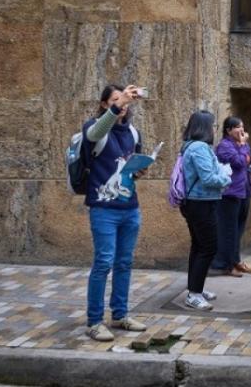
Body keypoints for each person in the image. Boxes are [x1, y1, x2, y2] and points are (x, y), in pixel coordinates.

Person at [83, 84, 149, 342]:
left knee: (124, 262)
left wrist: (140, 171)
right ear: (104, 104)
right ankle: (94, 320)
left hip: (129, 207)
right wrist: (116, 105)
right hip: (103, 209)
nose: (123, 105)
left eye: (125, 100)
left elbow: (128, 167)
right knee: (103, 263)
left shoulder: (132, 132)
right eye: (115, 100)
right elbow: (94, 134)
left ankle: (120, 314)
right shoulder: (96, 128)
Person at [179, 110, 233, 311]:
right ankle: (193, 294)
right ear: (205, 127)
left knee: (199, 246)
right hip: (200, 202)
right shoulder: (199, 148)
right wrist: (226, 179)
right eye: (213, 125)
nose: (214, 129)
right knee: (209, 247)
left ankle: (196, 289)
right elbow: (209, 178)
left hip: (197, 202)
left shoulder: (191, 146)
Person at [212, 116, 251, 278]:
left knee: (239, 230)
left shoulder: (241, 145)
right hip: (229, 194)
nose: (241, 130)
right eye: (237, 127)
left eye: (242, 126)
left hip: (243, 192)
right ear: (228, 130)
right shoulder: (224, 146)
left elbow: (247, 158)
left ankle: (235, 260)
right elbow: (239, 162)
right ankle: (226, 265)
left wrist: (243, 148)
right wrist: (243, 146)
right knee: (228, 231)